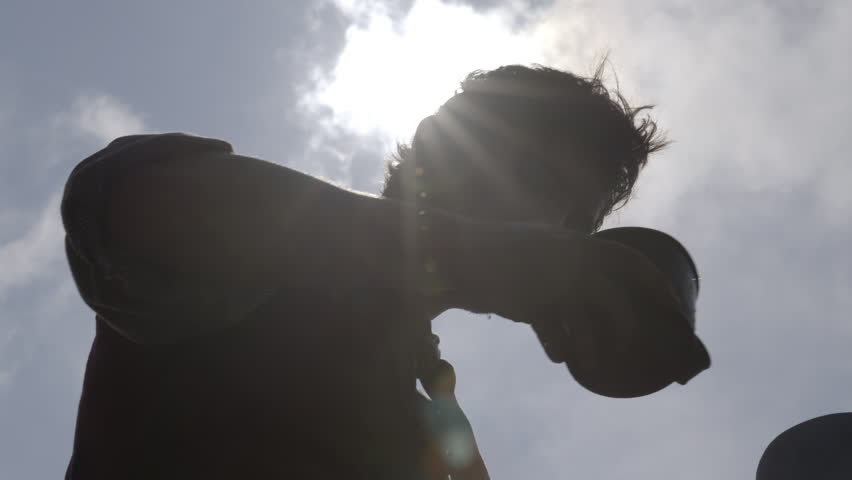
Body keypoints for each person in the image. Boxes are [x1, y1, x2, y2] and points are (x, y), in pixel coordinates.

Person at [62, 63, 687, 479]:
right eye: (533, 172)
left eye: (574, 219)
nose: (545, 227)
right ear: (434, 141)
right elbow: (131, 203)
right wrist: (499, 257)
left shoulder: (429, 425)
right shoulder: (253, 256)